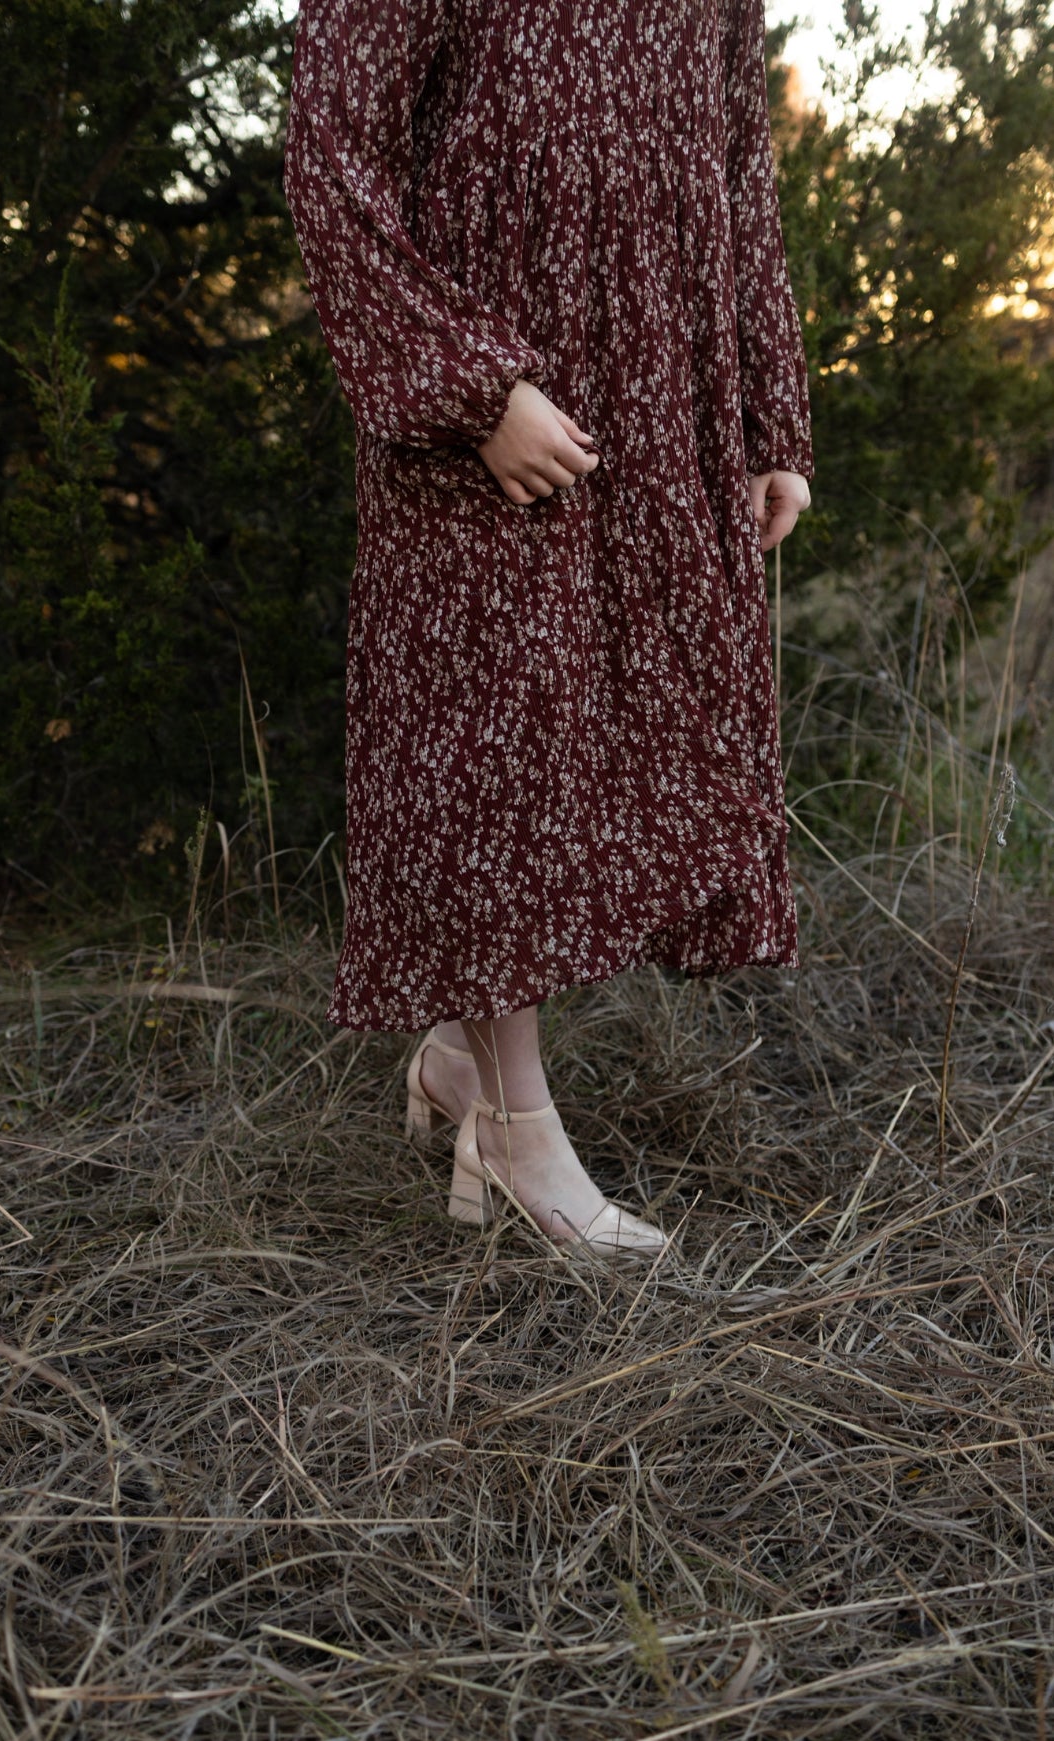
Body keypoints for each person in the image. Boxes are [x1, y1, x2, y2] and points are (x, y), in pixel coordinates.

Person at [283, 0, 814, 1254]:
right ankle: (516, 1137)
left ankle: (462, 1071)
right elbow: (334, 161)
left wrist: (765, 413)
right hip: (499, 417)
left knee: (620, 743)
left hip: (664, 396)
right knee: (496, 752)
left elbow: (741, 167)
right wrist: (469, 390)